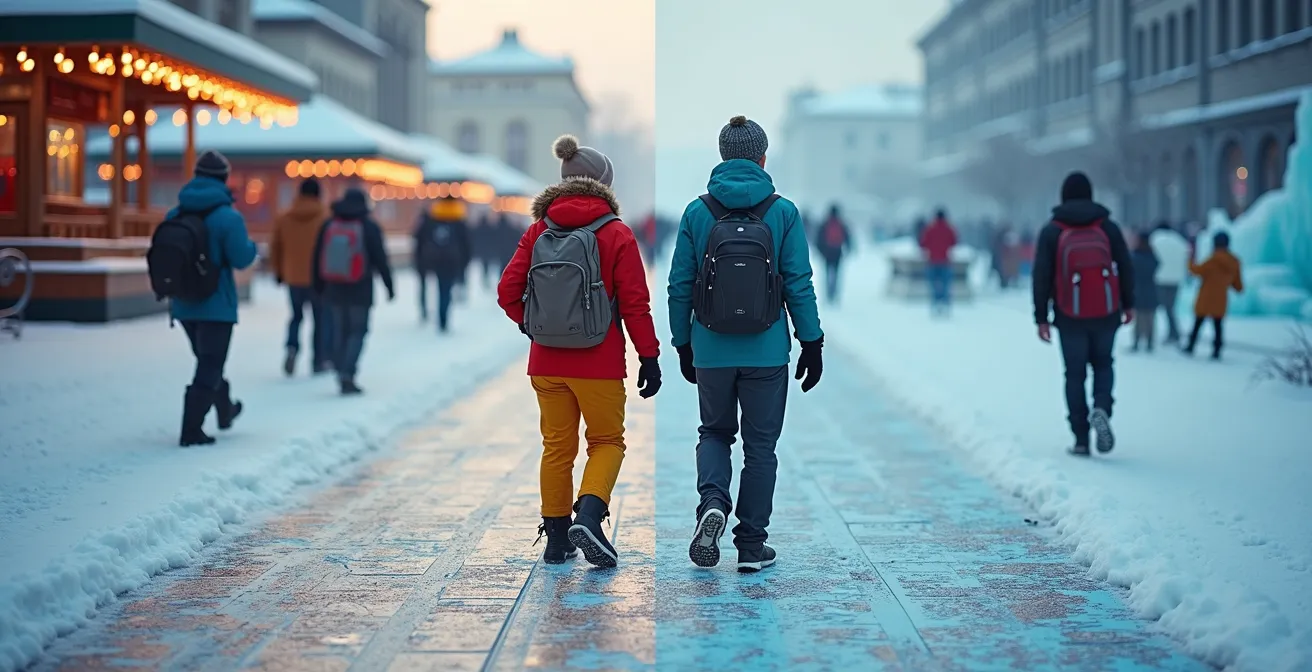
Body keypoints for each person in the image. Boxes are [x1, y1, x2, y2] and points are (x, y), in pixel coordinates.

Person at [667, 115, 824, 574]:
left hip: (712, 347)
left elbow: (680, 284)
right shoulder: (783, 212)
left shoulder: (698, 212)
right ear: (762, 157)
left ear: (722, 156)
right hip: (767, 350)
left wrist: (682, 343)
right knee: (761, 448)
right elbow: (798, 281)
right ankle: (751, 547)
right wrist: (810, 340)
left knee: (714, 433)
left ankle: (713, 502)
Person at [497, 135, 662, 569]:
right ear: (604, 185)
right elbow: (634, 303)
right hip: (599, 362)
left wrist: (532, 325)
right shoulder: (616, 232)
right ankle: (588, 516)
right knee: (606, 441)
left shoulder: (538, 230)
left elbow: (506, 292)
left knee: (556, 447)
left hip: (546, 362)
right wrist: (649, 356)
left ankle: (556, 540)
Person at [1032, 172, 1135, 457]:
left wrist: (1041, 317)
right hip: (1106, 311)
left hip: (1069, 314)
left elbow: (1041, 275)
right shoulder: (1107, 227)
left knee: (1074, 374)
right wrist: (1128, 304)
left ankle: (1080, 439)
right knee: (1104, 364)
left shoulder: (1053, 230)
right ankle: (1101, 407)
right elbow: (1125, 265)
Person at [167, 150, 258, 446]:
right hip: (216, 305)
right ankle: (191, 430)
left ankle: (224, 408)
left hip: (183, 304)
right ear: (223, 179)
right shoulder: (228, 217)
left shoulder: (175, 213)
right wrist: (252, 246)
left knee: (207, 361)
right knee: (209, 364)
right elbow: (242, 258)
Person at [312, 187, 395, 395]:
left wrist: (319, 286)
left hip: (334, 288)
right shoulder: (369, 227)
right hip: (361, 289)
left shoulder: (330, 225)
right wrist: (389, 285)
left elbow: (317, 257)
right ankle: (348, 372)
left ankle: (340, 367)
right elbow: (380, 258)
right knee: (358, 331)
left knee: (341, 330)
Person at [270, 177, 332, 376]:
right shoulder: (325, 217)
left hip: (293, 276)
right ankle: (319, 359)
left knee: (296, 317)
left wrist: (279, 272)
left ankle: (292, 347)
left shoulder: (285, 217)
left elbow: (275, 248)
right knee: (321, 318)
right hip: (319, 278)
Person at [414, 197, 472, 332]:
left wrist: (421, 260)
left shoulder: (432, 219)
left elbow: (420, 239)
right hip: (452, 261)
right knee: (446, 289)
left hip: (434, 259)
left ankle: (436, 314)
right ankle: (443, 318)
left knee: (440, 287)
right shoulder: (459, 220)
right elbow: (466, 244)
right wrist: (464, 263)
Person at [1184, 231, 1244, 359]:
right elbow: (1237, 283)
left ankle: (1190, 346)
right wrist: (1238, 287)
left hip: (1206, 297)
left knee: (1198, 323)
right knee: (1218, 326)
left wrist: (1189, 261)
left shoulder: (1213, 260)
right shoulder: (1234, 262)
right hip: (1221, 299)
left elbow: (1196, 271)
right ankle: (1217, 350)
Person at [1148, 221, 1190, 345]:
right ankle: (1174, 332)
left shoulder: (1154, 239)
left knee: (1153, 307)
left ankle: (1154, 334)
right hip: (1176, 279)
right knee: (1170, 308)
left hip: (1159, 278)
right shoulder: (1179, 240)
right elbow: (1186, 256)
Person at [919, 208, 958, 315]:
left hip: (932, 260)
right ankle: (945, 303)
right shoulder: (949, 228)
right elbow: (954, 242)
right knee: (946, 284)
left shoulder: (930, 229)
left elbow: (923, 243)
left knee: (933, 284)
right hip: (945, 261)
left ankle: (935, 303)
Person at [815, 204, 852, 305]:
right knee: (836, 274)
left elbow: (818, 239)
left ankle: (829, 294)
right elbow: (847, 237)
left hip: (827, 252)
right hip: (837, 251)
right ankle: (835, 293)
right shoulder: (841, 224)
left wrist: (820, 251)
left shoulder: (825, 223)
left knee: (828, 274)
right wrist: (848, 248)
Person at [1130, 230, 1160, 353]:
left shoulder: (1135, 256)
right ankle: (1149, 342)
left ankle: (1137, 342)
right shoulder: (1152, 255)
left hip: (1138, 289)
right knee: (1150, 318)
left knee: (1139, 318)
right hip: (1150, 288)